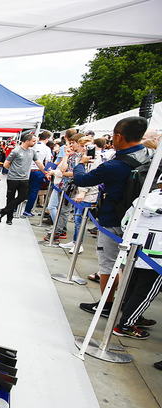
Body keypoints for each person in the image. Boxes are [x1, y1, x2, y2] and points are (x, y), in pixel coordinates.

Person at [73, 116, 151, 316]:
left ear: (118, 136)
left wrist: (80, 163)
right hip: (141, 220)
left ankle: (106, 305)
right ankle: (126, 307)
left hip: (113, 219)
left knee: (108, 263)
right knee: (131, 266)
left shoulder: (114, 165)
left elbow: (82, 179)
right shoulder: (150, 156)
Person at [112, 177, 162, 339]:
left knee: (133, 287)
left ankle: (132, 315)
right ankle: (126, 324)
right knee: (145, 293)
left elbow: (125, 221)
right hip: (157, 257)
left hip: (135, 250)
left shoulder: (145, 198)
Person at [60, 136, 101, 253]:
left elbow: (91, 176)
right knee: (77, 219)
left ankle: (79, 244)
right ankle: (75, 242)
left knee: (79, 219)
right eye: (82, 146)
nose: (84, 148)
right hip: (80, 191)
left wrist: (83, 192)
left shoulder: (95, 160)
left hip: (87, 193)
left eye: (87, 146)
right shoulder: (82, 158)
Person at [0, 132, 46, 225]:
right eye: (33, 141)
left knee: (23, 196)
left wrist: (45, 172)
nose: (35, 143)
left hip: (24, 179)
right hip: (13, 179)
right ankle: (9, 218)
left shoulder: (32, 152)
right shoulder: (16, 151)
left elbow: (39, 163)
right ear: (27, 141)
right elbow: (6, 164)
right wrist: (13, 171)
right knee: (10, 198)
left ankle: (3, 211)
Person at [24, 130, 53, 216]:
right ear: (47, 139)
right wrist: (47, 172)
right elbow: (48, 162)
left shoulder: (31, 146)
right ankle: (27, 210)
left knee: (23, 190)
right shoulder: (47, 149)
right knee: (34, 192)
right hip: (38, 171)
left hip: (27, 170)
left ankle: (15, 208)